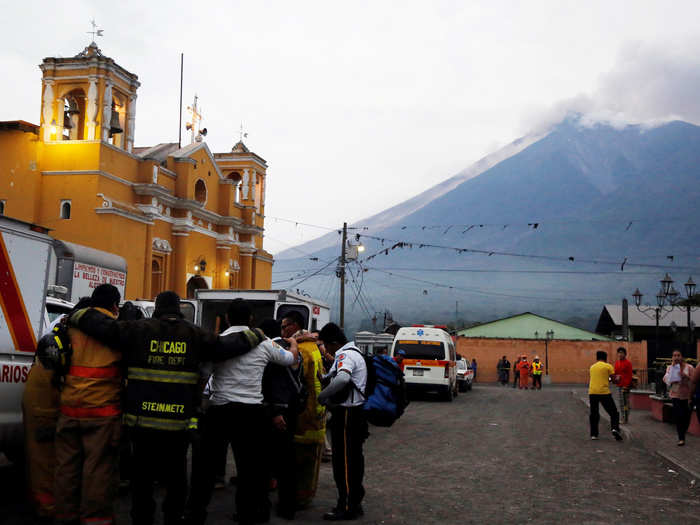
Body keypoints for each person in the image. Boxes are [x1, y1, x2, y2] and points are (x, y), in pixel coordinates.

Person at [69, 291, 266, 525]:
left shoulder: (138, 330)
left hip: (141, 424)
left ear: (157, 307)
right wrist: (256, 334)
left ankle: (142, 519)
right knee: (176, 479)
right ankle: (173, 517)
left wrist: (78, 314)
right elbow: (224, 346)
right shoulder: (194, 335)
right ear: (179, 309)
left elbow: (107, 328)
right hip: (177, 427)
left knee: (142, 479)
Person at [189, 299, 299, 525]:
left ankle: (195, 514)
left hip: (219, 410)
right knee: (251, 471)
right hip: (251, 414)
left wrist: (199, 406)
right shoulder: (265, 344)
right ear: (251, 319)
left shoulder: (218, 342)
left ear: (227, 317)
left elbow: (204, 375)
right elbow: (290, 360)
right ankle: (249, 515)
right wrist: (294, 345)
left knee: (205, 469)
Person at [53, 284, 123, 525]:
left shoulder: (70, 325)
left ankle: (64, 515)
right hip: (102, 410)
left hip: (69, 406)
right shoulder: (116, 330)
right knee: (97, 469)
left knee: (66, 467)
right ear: (115, 305)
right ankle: (95, 519)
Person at [23, 296, 91, 524]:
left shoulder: (60, 334)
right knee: (45, 462)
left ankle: (50, 506)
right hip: (45, 406)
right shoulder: (63, 341)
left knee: (49, 461)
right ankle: (48, 509)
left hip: (47, 404)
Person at [317, 323, 368, 521]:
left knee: (344, 463)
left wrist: (323, 396)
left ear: (334, 343)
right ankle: (355, 502)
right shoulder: (356, 352)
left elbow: (343, 379)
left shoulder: (345, 355)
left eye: (326, 345)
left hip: (347, 413)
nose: (326, 350)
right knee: (354, 461)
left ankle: (346, 506)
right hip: (356, 413)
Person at [280, 310, 327, 510]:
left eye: (284, 326)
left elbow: (296, 384)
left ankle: (298, 498)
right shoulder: (313, 347)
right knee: (311, 461)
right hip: (317, 412)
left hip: (303, 416)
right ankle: (306, 496)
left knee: (300, 460)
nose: (282, 330)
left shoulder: (301, 350)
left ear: (294, 326)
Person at [260, 318, 304, 519]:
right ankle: (289, 506)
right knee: (288, 461)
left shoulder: (271, 350)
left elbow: (273, 382)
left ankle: (263, 506)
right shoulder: (296, 350)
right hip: (293, 410)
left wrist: (275, 411)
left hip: (277, 411)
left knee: (266, 459)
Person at [588, 350, 623, 441]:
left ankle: (594, 434)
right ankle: (615, 429)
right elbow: (613, 379)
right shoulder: (608, 366)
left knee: (594, 414)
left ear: (597, 358)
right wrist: (617, 378)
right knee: (613, 412)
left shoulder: (592, 367)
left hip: (592, 392)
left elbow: (602, 378)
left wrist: (609, 379)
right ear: (605, 358)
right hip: (604, 392)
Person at [663, 350, 694, 446]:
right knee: (679, 416)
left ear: (682, 357)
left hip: (687, 396)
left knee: (687, 417)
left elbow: (694, 382)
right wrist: (670, 379)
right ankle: (681, 438)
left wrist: (686, 377)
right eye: (674, 356)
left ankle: (683, 432)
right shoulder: (670, 368)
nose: (676, 357)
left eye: (678, 355)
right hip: (675, 395)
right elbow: (665, 379)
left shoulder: (689, 367)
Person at [613, 347, 634, 424]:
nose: (620, 354)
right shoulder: (617, 363)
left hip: (625, 386)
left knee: (625, 402)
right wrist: (615, 378)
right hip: (619, 385)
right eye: (619, 352)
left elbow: (629, 375)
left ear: (625, 354)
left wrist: (627, 385)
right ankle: (623, 417)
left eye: (622, 352)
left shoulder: (628, 363)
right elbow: (615, 373)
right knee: (621, 402)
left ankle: (625, 418)